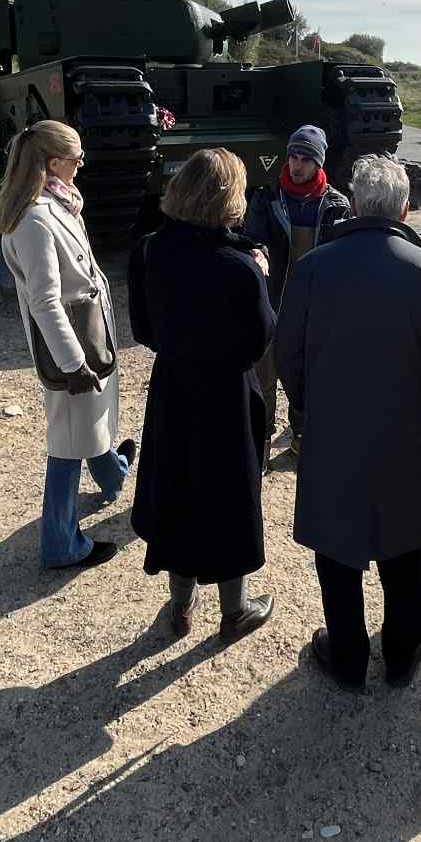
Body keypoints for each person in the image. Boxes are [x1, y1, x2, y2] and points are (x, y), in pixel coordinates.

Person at [276, 153, 421, 690]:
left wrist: (308, 407)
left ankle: (349, 657)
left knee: (336, 549)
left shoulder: (314, 267)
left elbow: (287, 351)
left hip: (332, 430)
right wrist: (419, 404)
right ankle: (403, 654)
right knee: (402, 544)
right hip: (402, 431)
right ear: (405, 209)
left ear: (354, 203)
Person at [129, 146, 277, 642]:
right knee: (229, 499)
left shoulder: (148, 249)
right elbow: (260, 340)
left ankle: (180, 606)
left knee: (178, 490)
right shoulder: (238, 267)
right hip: (225, 395)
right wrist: (260, 274)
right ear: (227, 199)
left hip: (173, 389)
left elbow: (144, 328)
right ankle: (234, 611)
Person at [0, 121, 133, 573]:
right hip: (69, 342)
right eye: (76, 158)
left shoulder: (58, 202)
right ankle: (60, 544)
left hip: (85, 329)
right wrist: (73, 364)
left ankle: (111, 471)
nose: (80, 165)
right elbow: (44, 300)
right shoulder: (36, 218)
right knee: (67, 445)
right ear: (52, 163)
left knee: (88, 423)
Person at [243, 124, 351, 466]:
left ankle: (302, 438)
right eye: (292, 156)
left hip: (315, 306)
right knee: (264, 374)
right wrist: (257, 251)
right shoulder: (267, 198)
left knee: (308, 375)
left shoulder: (336, 205)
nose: (296, 164)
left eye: (305, 158)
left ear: (319, 163)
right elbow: (252, 237)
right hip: (273, 302)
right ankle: (259, 443)